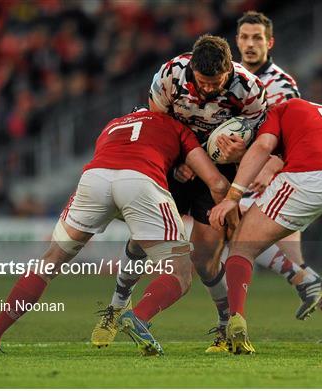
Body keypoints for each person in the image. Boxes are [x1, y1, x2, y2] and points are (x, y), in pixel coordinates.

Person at [0, 109, 230, 356]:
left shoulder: (113, 125)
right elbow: (214, 180)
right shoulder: (176, 126)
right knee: (180, 272)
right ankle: (138, 315)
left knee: (50, 261)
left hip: (95, 179)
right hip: (139, 180)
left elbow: (120, 156)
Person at [91, 34, 267, 352]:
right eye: (203, 82)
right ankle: (115, 310)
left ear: (229, 69)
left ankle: (226, 328)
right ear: (192, 72)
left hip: (219, 170)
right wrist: (176, 160)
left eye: (217, 82)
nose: (210, 89)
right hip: (175, 161)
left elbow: (259, 144)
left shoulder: (250, 89)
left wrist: (239, 152)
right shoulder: (170, 75)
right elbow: (153, 127)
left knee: (205, 257)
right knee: (140, 240)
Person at [209, 98, 322, 355]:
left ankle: (235, 328)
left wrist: (233, 198)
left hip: (310, 175)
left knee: (242, 244)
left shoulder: (280, 109)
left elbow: (263, 145)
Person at [235, 11, 322, 343]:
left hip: (275, 177)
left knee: (243, 243)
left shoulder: (281, 84)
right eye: (245, 38)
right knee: (290, 262)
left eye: (257, 38)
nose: (250, 44)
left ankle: (228, 329)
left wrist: (272, 164)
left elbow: (290, 132)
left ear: (269, 42)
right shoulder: (231, 79)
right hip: (249, 173)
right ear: (237, 41)